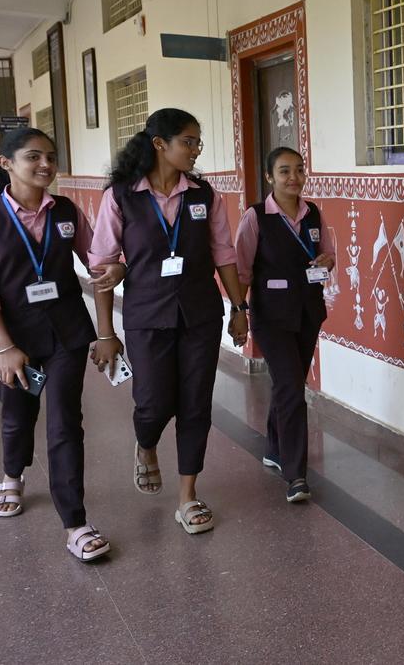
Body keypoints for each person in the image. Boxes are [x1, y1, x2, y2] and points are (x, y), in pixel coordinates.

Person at [89, 108, 248, 534]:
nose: (196, 150)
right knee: (154, 401)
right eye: (188, 142)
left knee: (196, 402)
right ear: (160, 144)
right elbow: (103, 267)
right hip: (147, 315)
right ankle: (145, 445)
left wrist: (238, 307)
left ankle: (188, 496)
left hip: (200, 313)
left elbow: (224, 254)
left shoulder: (204, 195)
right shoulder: (121, 196)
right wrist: (105, 332)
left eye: (198, 142)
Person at [0, 128, 122, 561]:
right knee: (18, 416)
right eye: (33, 157)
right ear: (6, 164)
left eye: (51, 157)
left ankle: (75, 523)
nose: (45, 165)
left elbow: (99, 260)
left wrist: (115, 270)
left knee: (65, 424)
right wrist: (3, 346)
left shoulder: (66, 211)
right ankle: (12, 476)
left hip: (66, 335)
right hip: (12, 338)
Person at [234, 147, 333, 502]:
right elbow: (241, 268)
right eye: (284, 171)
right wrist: (238, 310)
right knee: (292, 389)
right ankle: (296, 474)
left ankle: (275, 448)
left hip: (307, 311)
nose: (294, 178)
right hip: (271, 316)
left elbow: (329, 254)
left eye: (299, 170)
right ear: (269, 177)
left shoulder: (313, 213)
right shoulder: (256, 217)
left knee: (288, 384)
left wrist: (327, 260)